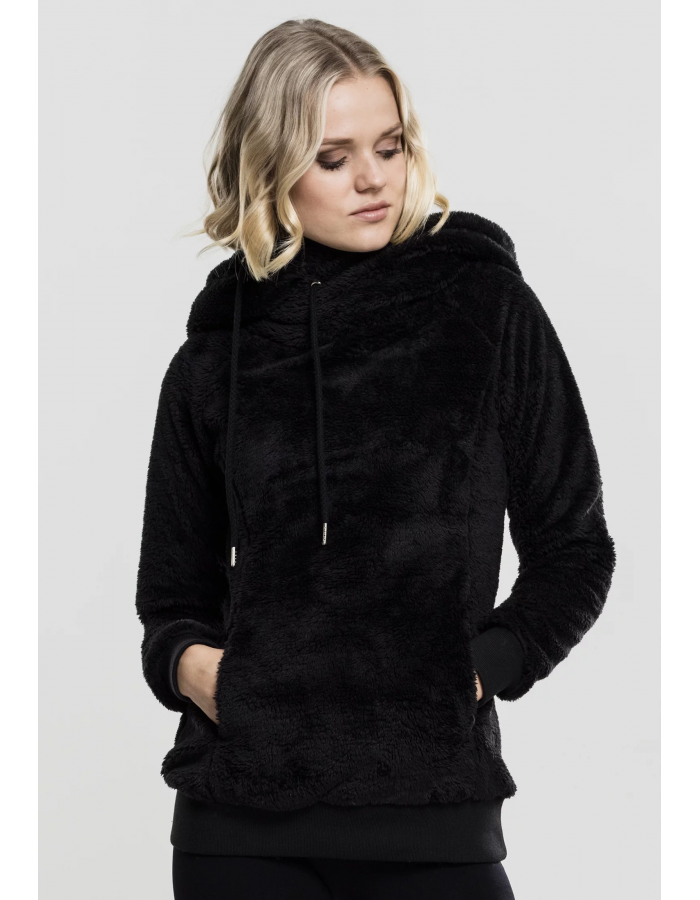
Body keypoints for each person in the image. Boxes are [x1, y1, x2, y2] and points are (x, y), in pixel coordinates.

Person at [135, 18, 616, 900]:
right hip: (238, 823)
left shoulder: (484, 309)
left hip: (432, 808)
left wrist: (478, 670)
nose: (373, 179)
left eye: (390, 147)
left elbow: (576, 549)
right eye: (333, 158)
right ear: (270, 168)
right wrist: (196, 671)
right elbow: (171, 598)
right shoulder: (213, 357)